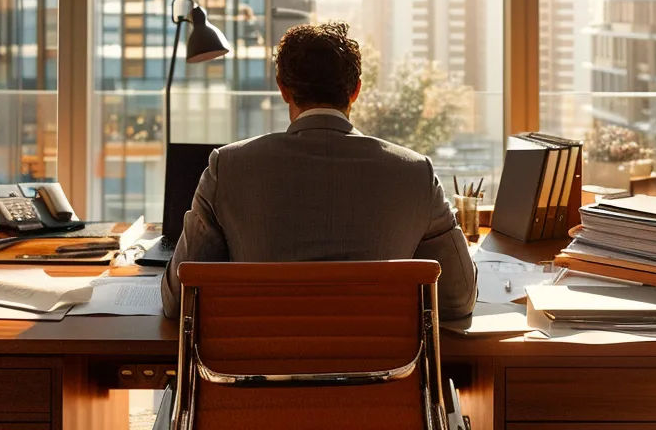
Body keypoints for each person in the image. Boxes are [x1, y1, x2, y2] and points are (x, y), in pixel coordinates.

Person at [160, 22, 478, 319]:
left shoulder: (227, 167)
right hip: (381, 376)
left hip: (258, 374)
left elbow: (178, 300)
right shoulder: (414, 173)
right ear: (355, 90)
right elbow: (458, 299)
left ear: (283, 89)